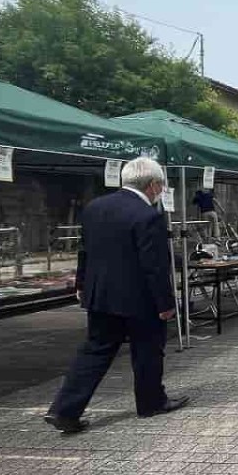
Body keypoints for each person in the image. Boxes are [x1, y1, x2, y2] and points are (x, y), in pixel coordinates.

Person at [44, 157, 185, 433]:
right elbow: (154, 266)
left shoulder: (95, 207)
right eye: (162, 186)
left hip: (101, 295)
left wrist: (81, 284)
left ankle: (64, 409)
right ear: (154, 185)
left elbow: (84, 250)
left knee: (95, 351)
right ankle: (151, 402)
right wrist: (166, 303)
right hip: (139, 298)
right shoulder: (149, 216)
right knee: (147, 350)